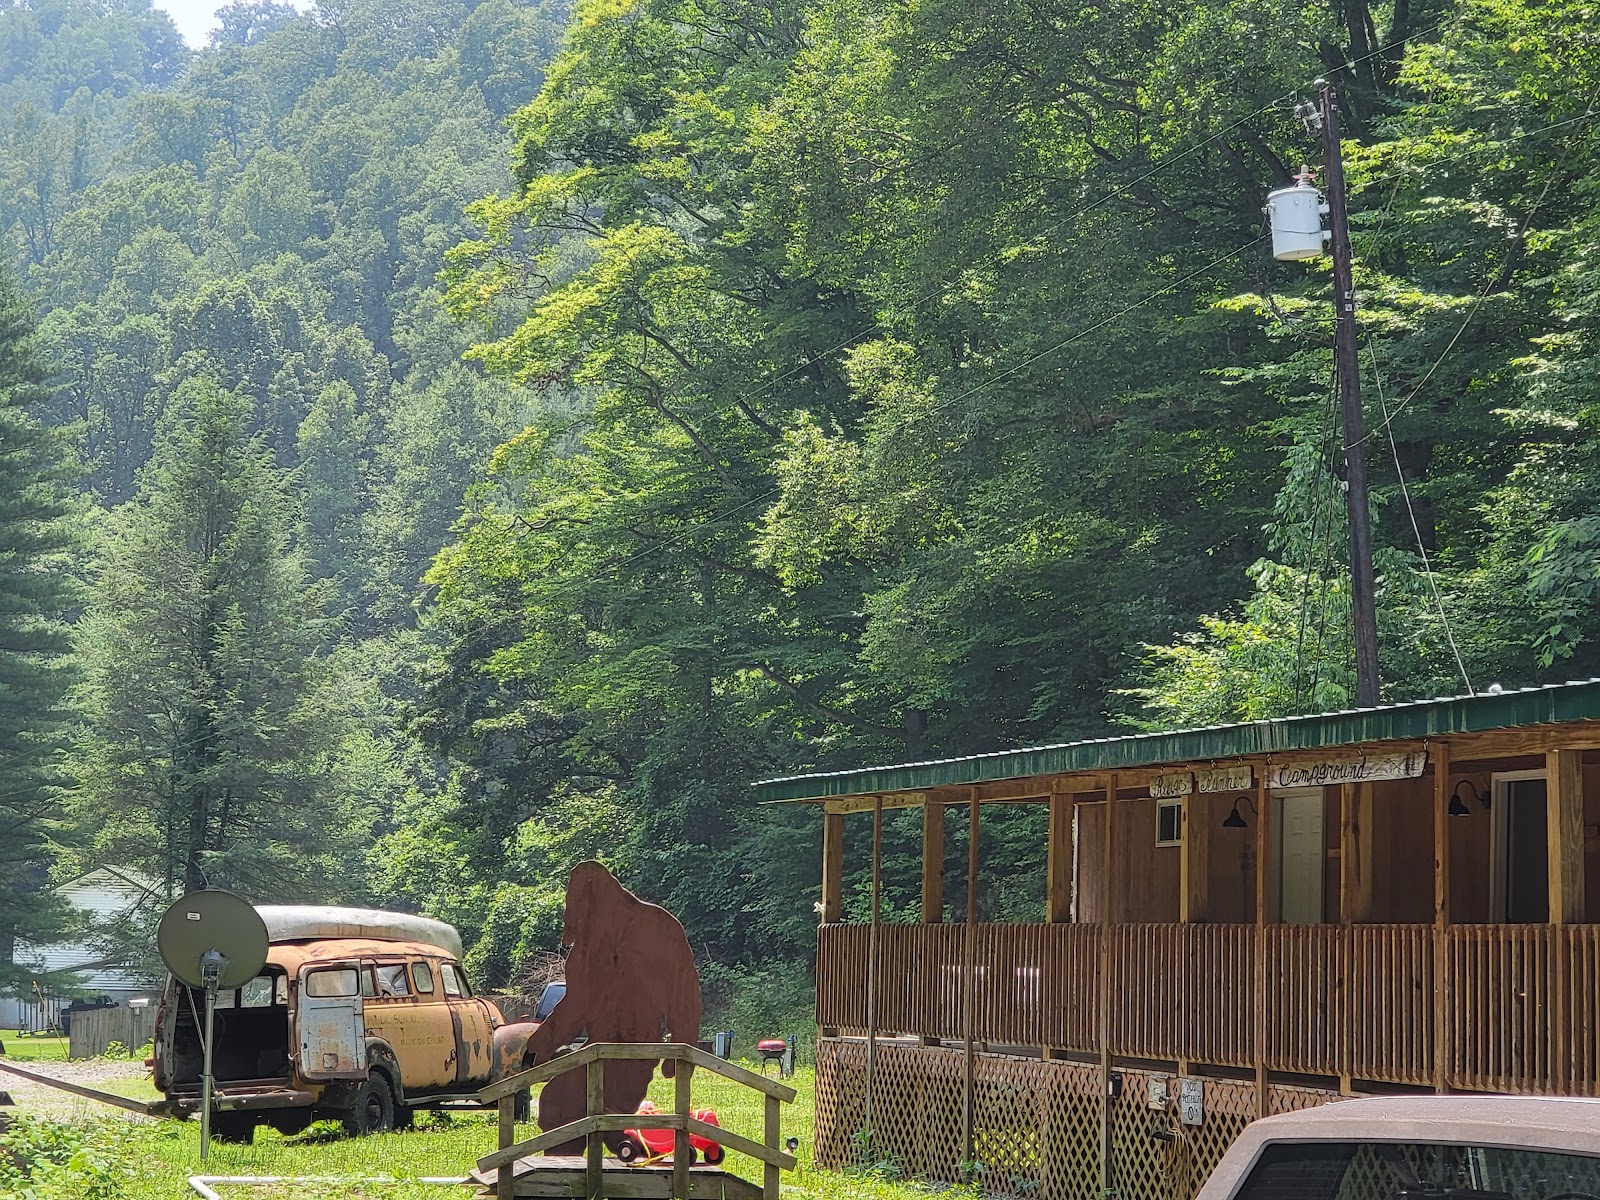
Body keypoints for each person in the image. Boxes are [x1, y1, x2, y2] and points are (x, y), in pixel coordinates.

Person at [526, 861, 702, 1153]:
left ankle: (589, 1168)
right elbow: (576, 1007)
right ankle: (596, 1163)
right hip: (602, 1049)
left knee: (568, 1103)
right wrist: (539, 1047)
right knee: (567, 1104)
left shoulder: (658, 929)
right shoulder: (590, 946)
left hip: (636, 1052)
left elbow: (685, 999)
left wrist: (681, 1052)